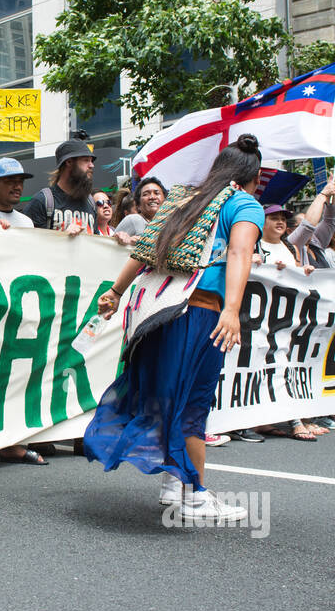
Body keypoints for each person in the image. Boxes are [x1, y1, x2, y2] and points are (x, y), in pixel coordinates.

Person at [83, 136, 265, 523]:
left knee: (166, 398)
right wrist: (232, 310)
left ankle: (173, 485)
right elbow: (239, 253)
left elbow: (145, 250)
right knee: (193, 403)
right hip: (199, 311)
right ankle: (195, 497)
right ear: (254, 177)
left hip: (157, 312)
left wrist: (115, 291)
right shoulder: (243, 204)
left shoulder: (186, 199)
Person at [23, 137, 96, 234]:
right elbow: (29, 244)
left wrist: (116, 241)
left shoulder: (90, 203)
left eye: (91, 161)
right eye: (86, 160)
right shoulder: (42, 201)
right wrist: (63, 237)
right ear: (69, 162)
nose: (91, 165)